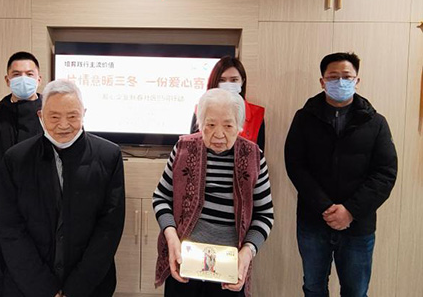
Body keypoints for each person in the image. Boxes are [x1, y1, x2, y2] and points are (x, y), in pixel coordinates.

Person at [0, 79, 125, 297]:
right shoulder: (16, 159)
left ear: (84, 113)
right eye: (54, 117)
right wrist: (44, 289)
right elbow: (10, 227)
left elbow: (109, 228)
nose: (64, 125)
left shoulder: (108, 156)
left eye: (72, 116)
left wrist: (76, 288)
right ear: (40, 116)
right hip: (27, 286)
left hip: (89, 287)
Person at [285, 52, 398, 297]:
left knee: (356, 291)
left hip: (358, 225)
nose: (340, 82)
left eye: (346, 77)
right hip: (313, 221)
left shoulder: (376, 122)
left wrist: (350, 211)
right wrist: (325, 206)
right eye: (333, 77)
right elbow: (295, 165)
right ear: (322, 81)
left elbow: (385, 173)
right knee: (313, 288)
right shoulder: (304, 118)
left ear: (357, 80)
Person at [154, 88, 274, 297]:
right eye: (210, 125)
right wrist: (171, 236)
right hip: (185, 259)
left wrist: (247, 252)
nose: (219, 134)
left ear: (240, 126)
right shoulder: (183, 148)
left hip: (229, 266)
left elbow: (264, 214)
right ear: (200, 124)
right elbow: (161, 197)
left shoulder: (254, 157)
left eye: (228, 125)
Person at [0, 51, 43, 173]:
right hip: (0, 185)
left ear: (39, 80)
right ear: (7, 80)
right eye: (16, 74)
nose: (23, 79)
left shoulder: (51, 117)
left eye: (29, 74)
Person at [190, 56, 265, 150]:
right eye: (222, 80)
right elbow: (192, 147)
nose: (228, 84)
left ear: (242, 81)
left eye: (234, 80)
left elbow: (258, 153)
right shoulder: (200, 110)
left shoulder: (257, 114)